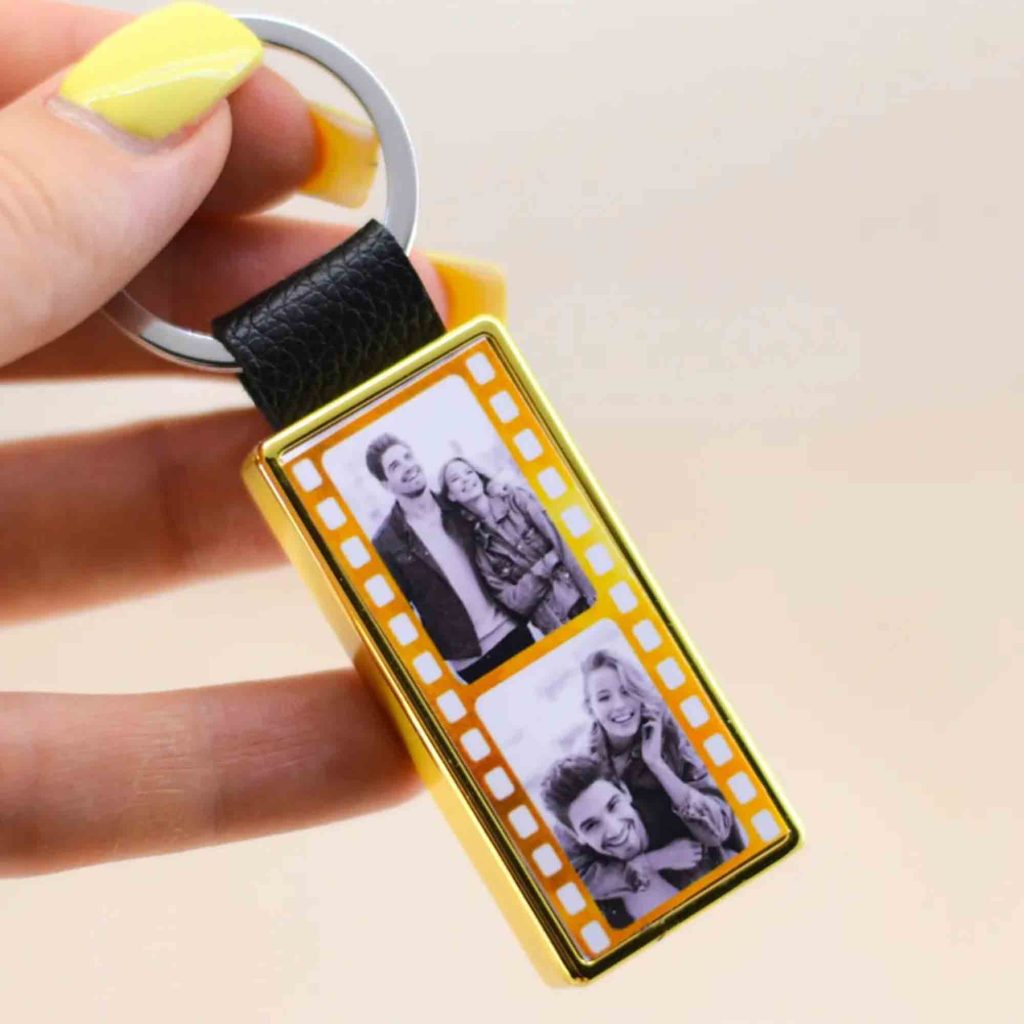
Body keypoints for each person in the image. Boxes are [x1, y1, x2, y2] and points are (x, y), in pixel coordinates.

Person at [0, 2, 506, 875]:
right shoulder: (390, 533)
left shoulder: (473, 493)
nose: (408, 469)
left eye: (404, 458)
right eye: (390, 462)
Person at [559, 649, 745, 913]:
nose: (619, 705)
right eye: (604, 697)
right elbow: (578, 876)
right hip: (645, 889)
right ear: (591, 708)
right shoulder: (583, 764)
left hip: (705, 862)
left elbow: (716, 831)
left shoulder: (671, 730)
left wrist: (656, 763)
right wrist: (652, 862)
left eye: (626, 691)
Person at [366, 436, 535, 682]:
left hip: (512, 629)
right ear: (385, 484)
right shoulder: (386, 543)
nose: (408, 466)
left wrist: (495, 486)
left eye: (408, 457)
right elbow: (398, 616)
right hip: (469, 660)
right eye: (395, 466)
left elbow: (491, 502)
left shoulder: (457, 506)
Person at [541, 756, 707, 927]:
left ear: (625, 791)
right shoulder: (585, 897)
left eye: (613, 805)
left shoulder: (675, 817)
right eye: (591, 826)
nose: (615, 830)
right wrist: (651, 862)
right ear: (575, 836)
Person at [439, 456, 596, 634]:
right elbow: (515, 602)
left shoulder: (516, 499)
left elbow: (562, 541)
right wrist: (546, 564)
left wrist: (591, 593)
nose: (465, 479)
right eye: (455, 479)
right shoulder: (480, 552)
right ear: (451, 495)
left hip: (582, 599)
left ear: (478, 476)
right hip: (555, 625)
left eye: (468, 472)